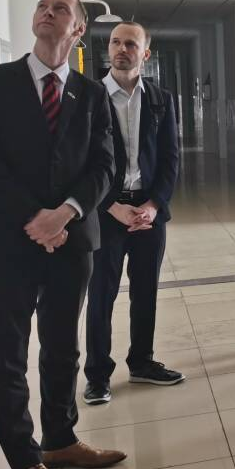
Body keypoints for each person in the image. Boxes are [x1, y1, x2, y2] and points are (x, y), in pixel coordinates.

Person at [0, 0, 125, 469]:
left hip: (72, 239)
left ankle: (59, 438)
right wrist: (35, 218)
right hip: (10, 239)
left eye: (61, 10)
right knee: (8, 351)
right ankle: (25, 460)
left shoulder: (92, 94)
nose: (48, 13)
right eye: (43, 6)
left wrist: (67, 213)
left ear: (78, 29)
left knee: (62, 345)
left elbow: (104, 165)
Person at [83, 21, 183, 404]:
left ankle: (142, 362)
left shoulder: (160, 99)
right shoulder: (89, 97)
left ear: (145, 53)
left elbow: (170, 159)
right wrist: (111, 206)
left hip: (147, 211)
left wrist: (153, 205)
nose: (121, 49)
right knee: (101, 294)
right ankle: (97, 375)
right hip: (105, 211)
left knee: (146, 292)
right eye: (115, 42)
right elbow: (81, 162)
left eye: (130, 44)